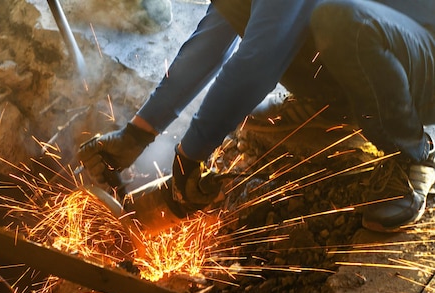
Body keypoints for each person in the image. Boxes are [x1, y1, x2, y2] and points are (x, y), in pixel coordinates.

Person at [78, 1, 435, 233]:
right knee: (262, 13)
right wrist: (138, 133)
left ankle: (411, 153)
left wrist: (189, 156)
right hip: (382, 44)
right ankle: (332, 106)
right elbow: (211, 40)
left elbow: (257, 63)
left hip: (422, 53)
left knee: (338, 21)